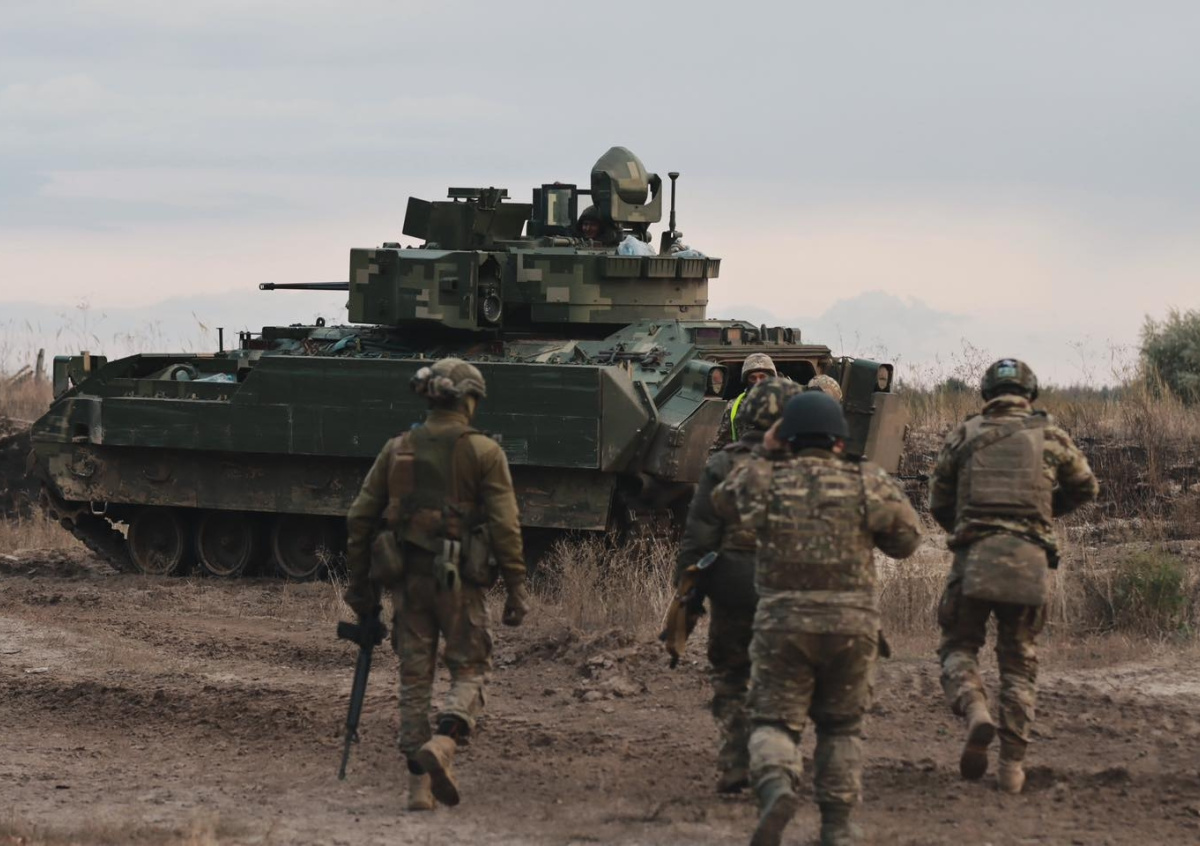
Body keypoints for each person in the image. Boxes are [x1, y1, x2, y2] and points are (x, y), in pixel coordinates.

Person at [712, 392, 922, 846]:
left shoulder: (769, 480)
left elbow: (723, 502)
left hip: (782, 625)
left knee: (773, 721)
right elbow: (906, 542)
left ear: (786, 439)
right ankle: (838, 827)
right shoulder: (867, 480)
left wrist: (765, 452)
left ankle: (776, 785)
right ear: (840, 441)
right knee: (841, 727)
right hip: (851, 626)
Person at [343, 357, 530, 811]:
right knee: (470, 669)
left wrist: (360, 588)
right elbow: (506, 525)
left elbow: (360, 517)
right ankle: (444, 742)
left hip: (409, 583)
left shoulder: (397, 449)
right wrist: (516, 587)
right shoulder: (484, 452)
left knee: (414, 681)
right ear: (467, 400)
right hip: (461, 584)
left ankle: (417, 790)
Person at [929, 358, 1097, 793]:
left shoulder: (964, 435)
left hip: (974, 559)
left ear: (987, 393)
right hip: (1029, 561)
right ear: (1030, 393)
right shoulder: (1050, 435)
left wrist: (967, 528)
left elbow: (938, 502)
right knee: (1019, 664)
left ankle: (975, 709)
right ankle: (1011, 769)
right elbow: (1085, 486)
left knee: (957, 647)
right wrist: (1043, 515)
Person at [673, 377, 804, 794]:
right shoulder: (805, 466)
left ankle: (734, 761)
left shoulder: (722, 464)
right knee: (783, 675)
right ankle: (777, 761)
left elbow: (698, 537)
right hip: (789, 587)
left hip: (733, 583)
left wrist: (686, 593)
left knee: (731, 673)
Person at [710, 353, 778, 453]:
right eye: (753, 378)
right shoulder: (735, 406)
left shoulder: (787, 403)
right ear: (747, 380)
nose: (758, 382)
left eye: (762, 377)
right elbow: (720, 445)